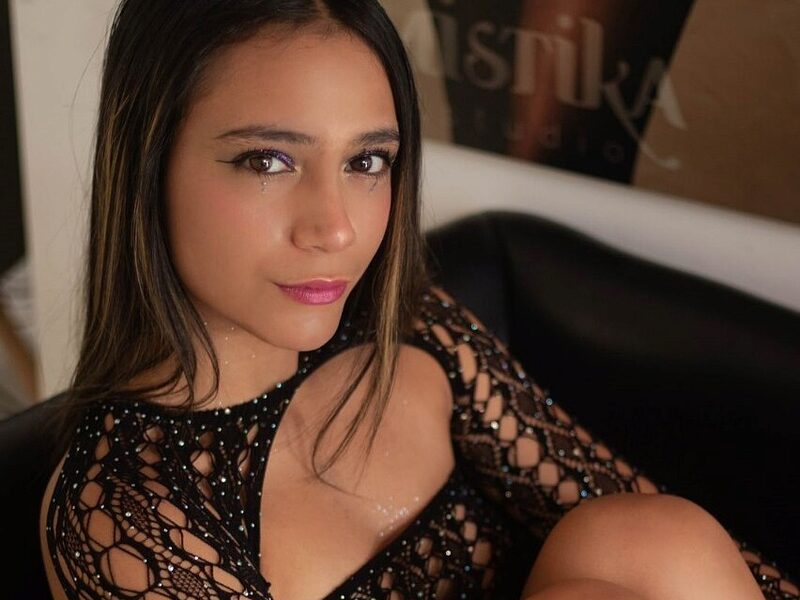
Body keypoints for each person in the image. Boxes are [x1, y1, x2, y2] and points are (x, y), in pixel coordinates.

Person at [38, 1, 797, 599]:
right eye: (268, 161)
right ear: (148, 162)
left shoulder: (413, 333)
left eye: (368, 161)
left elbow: (691, 557)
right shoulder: (124, 516)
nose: (337, 228)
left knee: (645, 537)